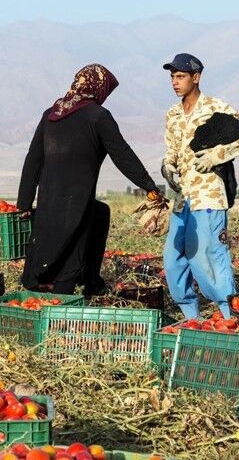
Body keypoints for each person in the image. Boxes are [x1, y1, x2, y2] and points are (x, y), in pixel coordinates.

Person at [17, 63, 163, 295]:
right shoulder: (98, 116)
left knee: (101, 213)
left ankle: (91, 279)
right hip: (77, 203)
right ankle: (69, 293)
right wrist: (148, 186)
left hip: (48, 202)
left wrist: (24, 203)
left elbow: (32, 160)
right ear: (99, 89)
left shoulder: (51, 114)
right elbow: (122, 154)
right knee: (70, 253)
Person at [160, 53, 239, 319]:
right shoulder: (173, 114)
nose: (174, 82)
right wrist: (167, 166)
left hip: (209, 196)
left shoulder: (215, 107)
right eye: (172, 77)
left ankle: (229, 316)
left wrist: (217, 155)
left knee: (209, 256)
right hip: (181, 198)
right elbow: (172, 150)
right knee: (174, 257)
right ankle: (192, 318)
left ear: (196, 77)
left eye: (180, 76)